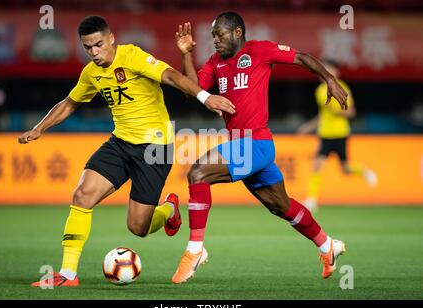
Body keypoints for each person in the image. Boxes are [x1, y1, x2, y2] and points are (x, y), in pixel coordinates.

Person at [19, 15, 235, 287]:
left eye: (98, 44)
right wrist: (40, 128)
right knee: (82, 195)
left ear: (111, 38)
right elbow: (70, 102)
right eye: (88, 48)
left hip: (154, 149)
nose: (95, 52)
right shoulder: (91, 73)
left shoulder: (132, 56)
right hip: (120, 143)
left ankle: (168, 210)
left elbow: (170, 75)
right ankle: (68, 273)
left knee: (137, 228)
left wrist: (205, 97)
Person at [171, 12, 349, 284]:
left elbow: (302, 57)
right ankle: (328, 246)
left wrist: (330, 79)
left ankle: (194, 250)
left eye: (220, 35)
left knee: (197, 173)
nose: (215, 41)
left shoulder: (260, 50)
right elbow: (192, 90)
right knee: (281, 206)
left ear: (238, 32)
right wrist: (186, 55)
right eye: (213, 37)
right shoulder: (215, 62)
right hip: (242, 146)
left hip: (256, 143)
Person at [298, 59, 378, 212]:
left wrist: (338, 112)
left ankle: (364, 171)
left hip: (340, 133)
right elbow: (322, 115)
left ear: (337, 72)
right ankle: (312, 199)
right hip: (325, 134)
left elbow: (351, 112)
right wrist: (309, 127)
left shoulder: (343, 88)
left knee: (345, 169)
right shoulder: (320, 91)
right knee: (317, 165)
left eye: (329, 69)